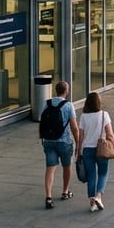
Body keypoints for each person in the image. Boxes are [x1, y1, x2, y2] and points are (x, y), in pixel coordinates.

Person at [41, 81, 81, 209]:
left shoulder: (47, 103)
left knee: (50, 169)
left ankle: (48, 196)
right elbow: (74, 127)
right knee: (67, 167)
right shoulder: (69, 106)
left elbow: (43, 121)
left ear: (55, 90)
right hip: (65, 142)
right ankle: (65, 191)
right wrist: (78, 143)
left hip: (49, 141)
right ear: (66, 91)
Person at [78, 92, 114, 213]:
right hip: (101, 148)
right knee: (103, 173)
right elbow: (109, 133)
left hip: (87, 149)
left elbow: (81, 136)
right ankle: (99, 196)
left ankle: (92, 203)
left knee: (91, 176)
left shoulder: (84, 116)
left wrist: (78, 151)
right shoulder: (105, 115)